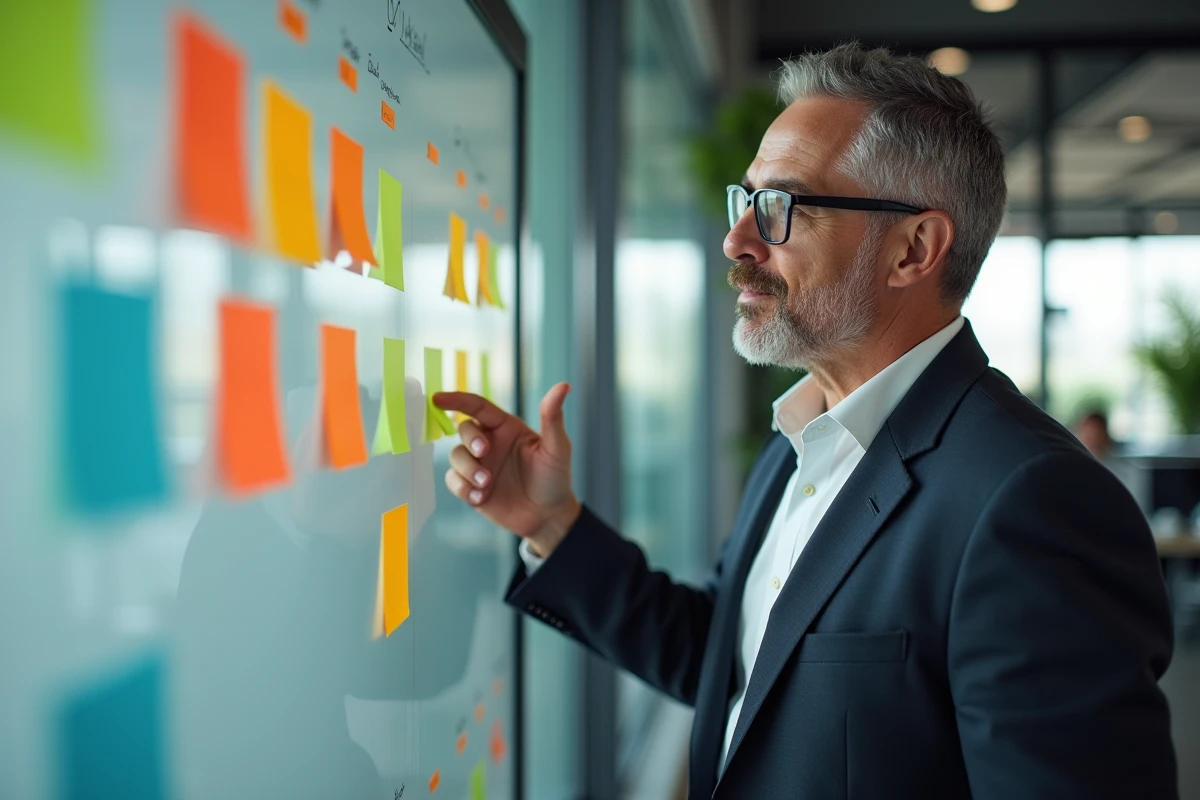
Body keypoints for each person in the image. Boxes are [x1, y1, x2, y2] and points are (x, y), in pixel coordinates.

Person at [435, 43, 1177, 799]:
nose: (737, 241)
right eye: (746, 198)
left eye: (783, 206)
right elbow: (734, 665)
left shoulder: (1033, 501)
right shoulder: (801, 439)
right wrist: (552, 524)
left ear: (913, 249)